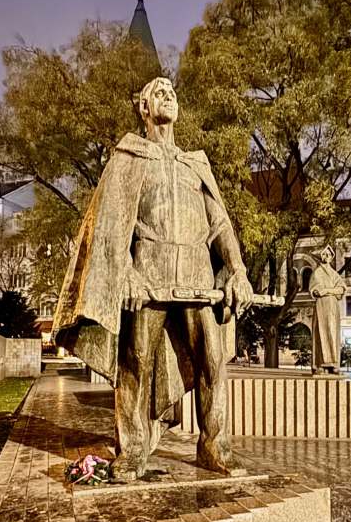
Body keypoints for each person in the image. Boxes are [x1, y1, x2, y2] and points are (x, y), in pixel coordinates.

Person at [53, 77, 254, 479]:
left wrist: (237, 269)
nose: (168, 96)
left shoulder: (194, 162)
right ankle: (132, 450)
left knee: (213, 361)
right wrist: (124, 272)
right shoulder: (129, 157)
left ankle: (215, 446)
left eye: (172, 92)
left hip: (198, 276)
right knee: (136, 361)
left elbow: (220, 225)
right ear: (144, 108)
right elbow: (110, 223)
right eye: (158, 93)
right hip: (148, 274)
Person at [309, 245, 346, 375]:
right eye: (324, 254)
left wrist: (328, 290)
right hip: (322, 306)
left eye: (329, 255)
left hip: (333, 306)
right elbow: (316, 290)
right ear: (321, 256)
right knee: (322, 333)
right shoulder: (317, 272)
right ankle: (321, 364)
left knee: (333, 333)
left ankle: (334, 364)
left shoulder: (334, 273)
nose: (326, 257)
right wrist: (329, 291)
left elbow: (342, 288)